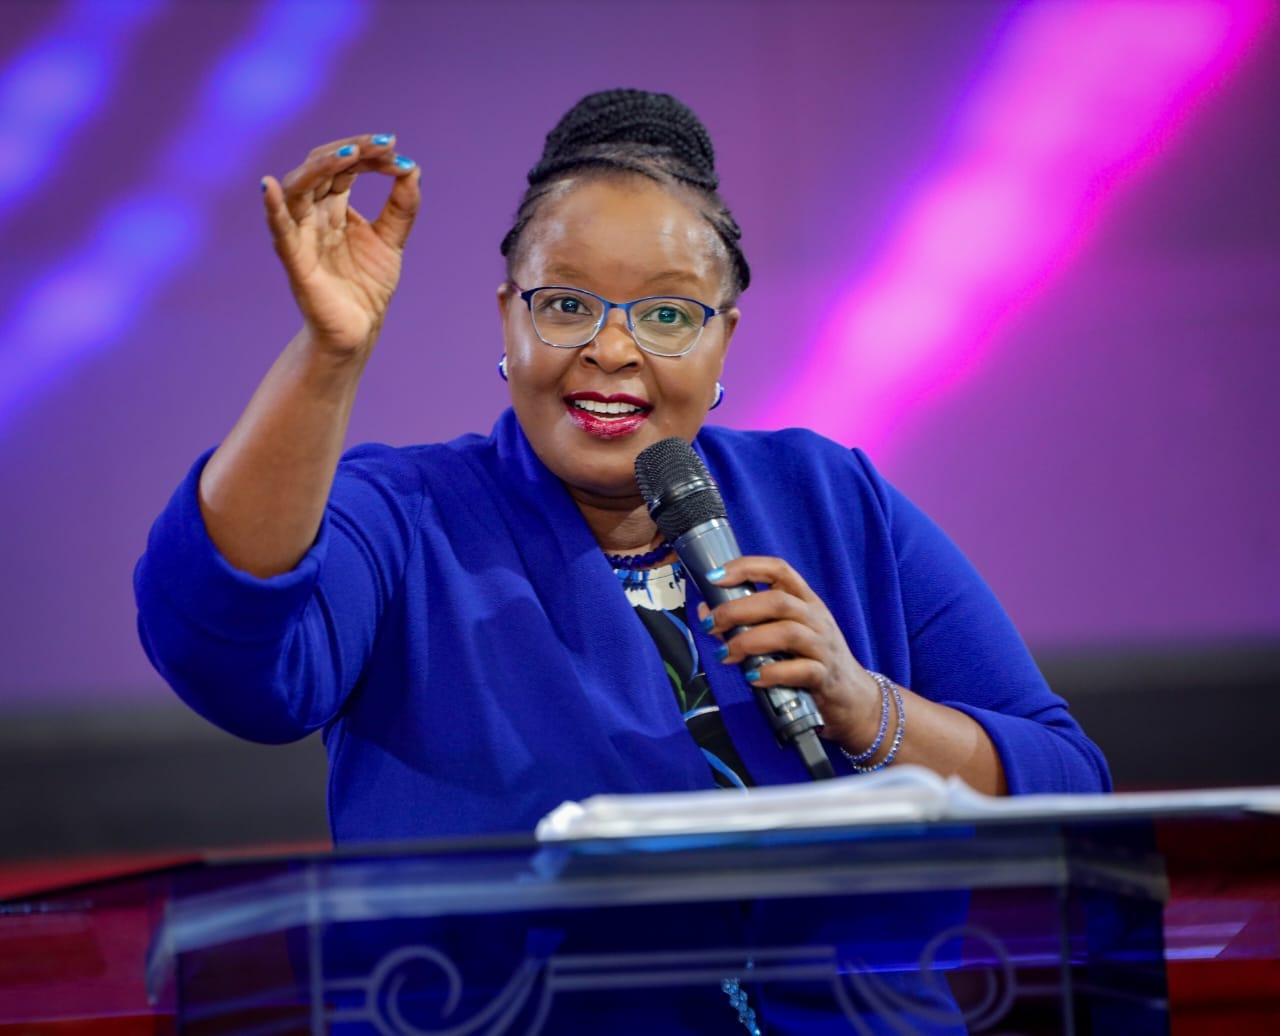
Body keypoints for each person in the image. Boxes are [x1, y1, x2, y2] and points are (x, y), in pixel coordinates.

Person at [135, 89, 1108, 844]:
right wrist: (328, 355)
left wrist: (868, 709)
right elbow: (231, 661)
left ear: (723, 341)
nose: (610, 350)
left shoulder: (830, 497)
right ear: (508, 319)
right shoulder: (405, 517)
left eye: (666, 313)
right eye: (565, 305)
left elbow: (1067, 782)